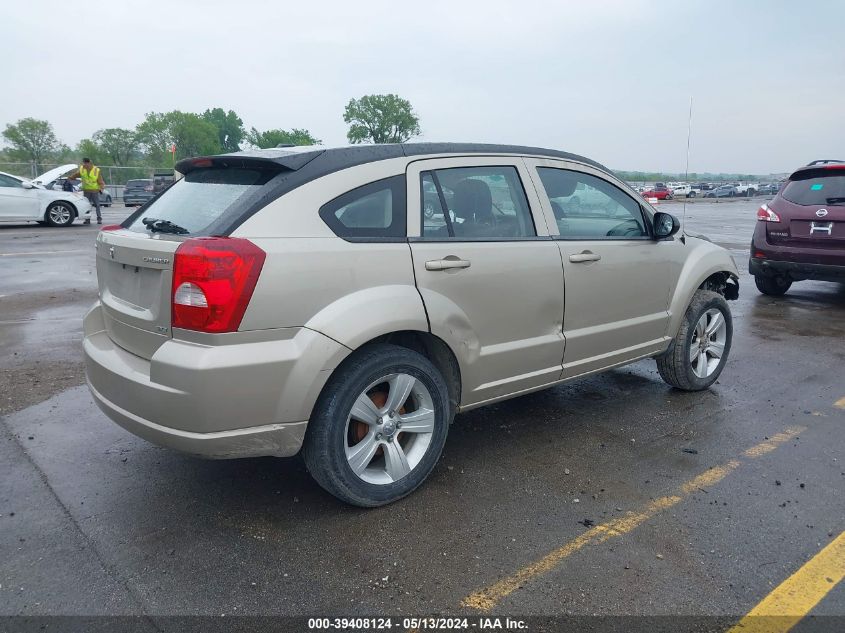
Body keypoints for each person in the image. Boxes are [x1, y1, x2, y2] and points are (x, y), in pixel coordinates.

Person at [66, 158, 106, 224]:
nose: (85, 164)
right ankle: (87, 219)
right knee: (86, 205)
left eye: (86, 163)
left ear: (90, 163)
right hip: (86, 190)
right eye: (84, 163)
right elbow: (76, 175)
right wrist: (70, 178)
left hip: (94, 190)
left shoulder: (96, 170)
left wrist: (101, 188)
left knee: (97, 205)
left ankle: (99, 219)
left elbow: (100, 180)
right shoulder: (82, 169)